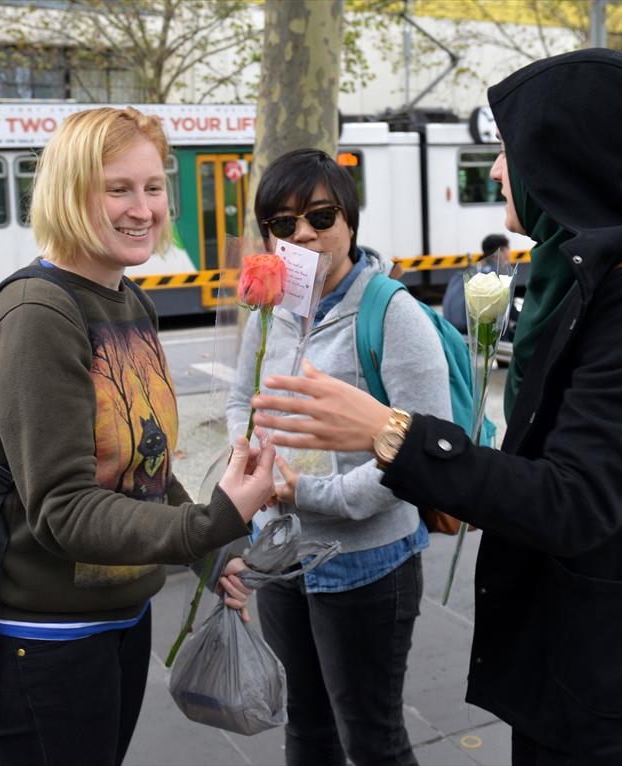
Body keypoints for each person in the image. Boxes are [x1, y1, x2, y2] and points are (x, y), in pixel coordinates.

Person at [252, 49, 622, 766]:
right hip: (580, 657)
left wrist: (387, 432)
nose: (494, 171)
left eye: (506, 150)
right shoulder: (578, 280)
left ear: (567, 157)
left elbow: (571, 499)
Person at [0, 107, 274, 766]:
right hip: (39, 638)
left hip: (120, 619)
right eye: (117, 188)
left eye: (154, 187)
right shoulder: (36, 318)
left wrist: (209, 548)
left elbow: (147, 467)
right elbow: (64, 511)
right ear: (71, 194)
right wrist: (208, 525)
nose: (143, 208)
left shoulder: (127, 300)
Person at [226, 148, 453, 766]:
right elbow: (238, 401)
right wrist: (250, 467)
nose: (303, 234)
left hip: (366, 563)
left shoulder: (393, 314)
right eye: (282, 223)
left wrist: (309, 494)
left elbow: (422, 450)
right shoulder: (270, 308)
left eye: (320, 216)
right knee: (305, 727)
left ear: (349, 220)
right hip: (281, 553)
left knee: (372, 739)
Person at [441, 233, 509, 333]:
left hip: (452, 329)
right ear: (502, 251)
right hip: (475, 330)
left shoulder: (467, 272)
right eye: (508, 249)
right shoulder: (496, 275)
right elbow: (506, 311)